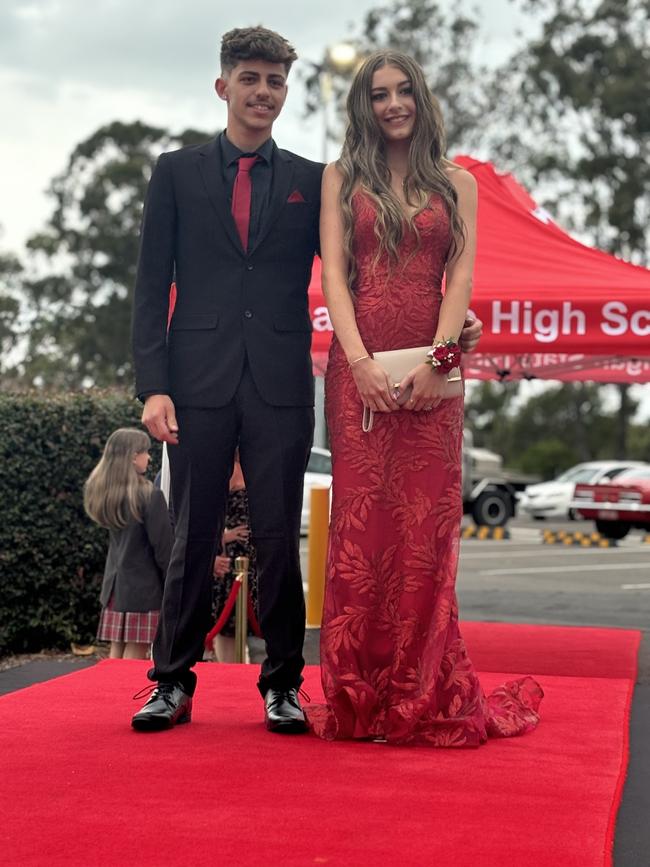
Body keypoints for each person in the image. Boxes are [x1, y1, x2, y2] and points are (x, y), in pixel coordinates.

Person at [131, 26, 483, 734]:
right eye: (251, 79)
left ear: (286, 92)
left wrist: (455, 331)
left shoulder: (313, 177)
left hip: (283, 381)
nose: (263, 92)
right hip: (197, 380)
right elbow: (150, 284)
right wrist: (153, 385)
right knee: (191, 536)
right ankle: (170, 681)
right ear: (223, 84)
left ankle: (283, 684)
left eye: (275, 82)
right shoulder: (175, 171)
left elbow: (367, 261)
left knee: (275, 536)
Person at [308, 50, 543, 745]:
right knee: (361, 530)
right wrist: (359, 364)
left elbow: (461, 281)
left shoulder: (458, 186)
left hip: (433, 381)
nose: (392, 104)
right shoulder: (341, 178)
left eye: (403, 90)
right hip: (359, 377)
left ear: (421, 97)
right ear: (364, 106)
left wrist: (442, 361)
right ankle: (359, 692)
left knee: (422, 537)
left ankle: (417, 688)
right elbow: (337, 282)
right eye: (378, 94)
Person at [84, 429, 172, 661]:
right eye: (145, 452)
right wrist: (173, 585)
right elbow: (164, 551)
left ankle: (108, 696)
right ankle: (124, 697)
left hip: (115, 586)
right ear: (134, 457)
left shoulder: (105, 493)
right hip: (145, 588)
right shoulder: (149, 495)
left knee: (116, 651)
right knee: (135, 655)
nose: (149, 458)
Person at [209, 454, 258, 663]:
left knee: (252, 619)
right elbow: (205, 518)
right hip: (229, 556)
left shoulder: (256, 467)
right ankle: (227, 669)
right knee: (227, 621)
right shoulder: (222, 469)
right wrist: (225, 536)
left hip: (254, 556)